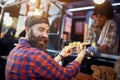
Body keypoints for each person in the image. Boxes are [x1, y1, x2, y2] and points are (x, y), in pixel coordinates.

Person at [5, 15, 86, 80]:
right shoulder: (36, 55)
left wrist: (61, 55)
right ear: (27, 29)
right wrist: (80, 56)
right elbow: (66, 75)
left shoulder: (14, 50)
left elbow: (44, 66)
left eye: (47, 31)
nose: (45, 35)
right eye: (41, 30)